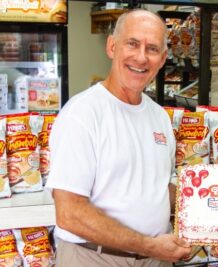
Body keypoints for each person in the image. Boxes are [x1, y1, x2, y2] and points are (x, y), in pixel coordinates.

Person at [46, 9, 191, 267]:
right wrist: (149, 245)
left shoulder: (159, 117)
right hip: (93, 257)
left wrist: (209, 200)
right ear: (112, 47)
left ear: (163, 58)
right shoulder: (82, 114)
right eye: (132, 44)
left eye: (152, 49)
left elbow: (155, 188)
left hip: (155, 259)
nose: (141, 57)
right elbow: (69, 213)